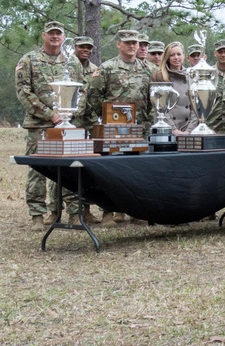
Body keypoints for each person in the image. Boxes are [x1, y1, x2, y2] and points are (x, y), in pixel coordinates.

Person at [15, 21, 90, 230]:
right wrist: (51, 115)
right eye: (51, 33)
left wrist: (73, 112)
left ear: (64, 37)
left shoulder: (72, 62)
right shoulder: (29, 60)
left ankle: (73, 212)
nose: (55, 37)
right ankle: (37, 215)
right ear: (43, 36)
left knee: (70, 168)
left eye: (59, 33)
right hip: (39, 125)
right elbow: (23, 92)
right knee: (38, 169)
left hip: (68, 124)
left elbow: (82, 90)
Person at [84, 29, 153, 225]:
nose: (132, 46)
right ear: (119, 44)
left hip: (139, 129)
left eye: (135, 43)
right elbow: (94, 97)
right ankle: (109, 212)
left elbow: (151, 101)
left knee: (137, 172)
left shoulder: (147, 70)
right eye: (128, 42)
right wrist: (104, 122)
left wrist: (148, 124)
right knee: (111, 172)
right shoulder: (106, 69)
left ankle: (135, 211)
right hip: (112, 130)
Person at [150, 42, 197, 133]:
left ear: (184, 56)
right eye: (172, 55)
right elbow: (159, 107)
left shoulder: (192, 76)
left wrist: (189, 130)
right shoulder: (159, 76)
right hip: (165, 128)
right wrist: (174, 130)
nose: (176, 57)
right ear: (167, 57)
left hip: (188, 130)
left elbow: (196, 108)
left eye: (179, 54)